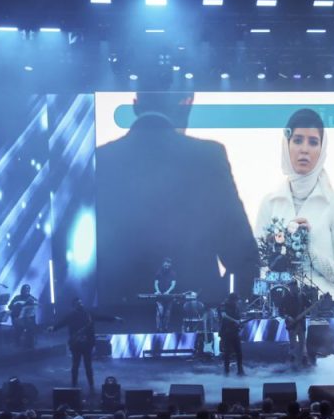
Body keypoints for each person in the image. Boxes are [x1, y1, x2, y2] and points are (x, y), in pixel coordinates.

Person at [96, 90, 258, 307]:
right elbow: (243, 255)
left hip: (120, 316)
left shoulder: (102, 159)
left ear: (136, 106)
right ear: (185, 105)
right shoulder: (208, 156)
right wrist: (219, 307)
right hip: (194, 314)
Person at [255, 108, 334, 295]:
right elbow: (256, 267)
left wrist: (312, 254)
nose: (304, 149)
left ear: (322, 149)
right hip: (276, 307)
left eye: (313, 142)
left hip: (323, 308)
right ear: (286, 145)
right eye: (298, 140)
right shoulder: (269, 203)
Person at [49, 298, 115, 395]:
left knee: (88, 365)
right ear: (74, 305)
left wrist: (114, 319)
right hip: (76, 344)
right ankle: (74, 384)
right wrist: (53, 328)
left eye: (81, 302)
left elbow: (101, 317)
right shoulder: (71, 315)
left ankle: (91, 385)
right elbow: (61, 323)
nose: (81, 304)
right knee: (75, 365)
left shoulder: (88, 313)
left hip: (87, 344)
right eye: (78, 303)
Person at [280, 279, 310, 368]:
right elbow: (281, 311)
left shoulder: (302, 296)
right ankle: (292, 359)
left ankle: (304, 359)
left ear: (296, 286)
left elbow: (309, 306)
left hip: (301, 322)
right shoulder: (286, 298)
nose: (292, 289)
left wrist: (314, 303)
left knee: (303, 341)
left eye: (293, 287)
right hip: (291, 323)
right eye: (291, 287)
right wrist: (287, 317)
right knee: (292, 342)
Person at [220, 293, 245, 376]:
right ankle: (226, 372)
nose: (236, 302)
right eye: (235, 300)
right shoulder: (223, 305)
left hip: (234, 332)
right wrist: (235, 321)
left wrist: (240, 323)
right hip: (226, 332)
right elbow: (224, 316)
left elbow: (238, 318)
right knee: (227, 352)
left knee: (239, 352)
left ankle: (240, 371)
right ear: (231, 299)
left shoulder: (236, 307)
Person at [153, 257, 177, 332]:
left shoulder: (173, 273)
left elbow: (173, 284)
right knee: (159, 312)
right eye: (166, 264)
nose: (167, 266)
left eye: (168, 265)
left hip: (169, 297)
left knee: (167, 313)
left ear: (170, 265)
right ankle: (158, 328)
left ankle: (165, 328)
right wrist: (157, 291)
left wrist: (168, 292)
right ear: (163, 264)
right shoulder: (158, 272)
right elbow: (156, 283)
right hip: (160, 296)